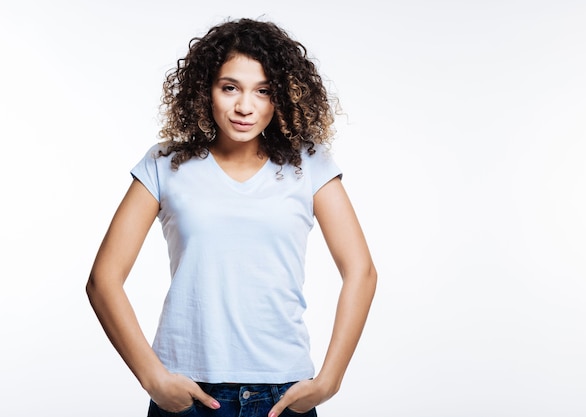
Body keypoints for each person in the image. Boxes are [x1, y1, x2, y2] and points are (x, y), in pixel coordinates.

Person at [86, 17, 377, 417]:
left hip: (284, 394)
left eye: (263, 91)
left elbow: (360, 271)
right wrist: (152, 377)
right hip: (188, 392)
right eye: (230, 88)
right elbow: (104, 279)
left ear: (282, 97)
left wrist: (330, 380)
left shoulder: (309, 165)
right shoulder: (164, 163)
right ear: (206, 90)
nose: (245, 106)